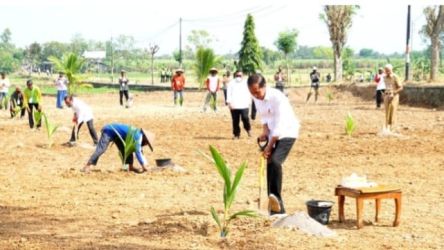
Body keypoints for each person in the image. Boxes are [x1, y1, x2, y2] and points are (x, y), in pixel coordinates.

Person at [247, 73, 300, 215]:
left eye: (257, 92)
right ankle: (275, 208)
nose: (255, 96)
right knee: (269, 164)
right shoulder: (256, 97)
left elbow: (279, 128)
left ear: (264, 86)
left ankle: (276, 200)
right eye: (252, 93)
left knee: (276, 161)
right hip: (272, 134)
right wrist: (264, 132)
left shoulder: (278, 98)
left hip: (287, 132)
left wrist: (268, 147)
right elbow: (264, 117)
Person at [82, 123, 154, 174]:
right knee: (101, 149)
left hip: (117, 135)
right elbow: (138, 152)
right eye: (147, 143)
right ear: (145, 139)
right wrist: (144, 166)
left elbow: (140, 151)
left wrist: (146, 164)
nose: (145, 144)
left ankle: (130, 167)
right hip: (109, 130)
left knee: (127, 149)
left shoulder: (138, 134)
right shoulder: (138, 136)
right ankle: (87, 166)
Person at [226, 70, 252, 139]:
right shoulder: (231, 83)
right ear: (235, 76)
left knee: (245, 118)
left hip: (244, 104)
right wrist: (229, 103)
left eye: (240, 75)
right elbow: (228, 94)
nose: (238, 77)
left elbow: (249, 93)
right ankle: (236, 134)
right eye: (237, 76)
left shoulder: (246, 83)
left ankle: (248, 129)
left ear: (242, 76)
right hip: (234, 105)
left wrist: (249, 102)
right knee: (235, 120)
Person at [383, 64, 403, 132]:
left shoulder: (395, 77)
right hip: (386, 96)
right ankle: (387, 128)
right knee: (387, 112)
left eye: (388, 70)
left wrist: (393, 93)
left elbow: (400, 87)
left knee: (393, 112)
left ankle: (392, 128)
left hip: (394, 96)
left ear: (391, 70)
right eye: (386, 70)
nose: (387, 72)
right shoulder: (384, 77)